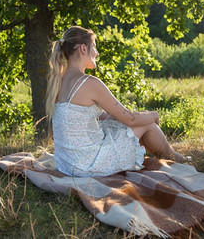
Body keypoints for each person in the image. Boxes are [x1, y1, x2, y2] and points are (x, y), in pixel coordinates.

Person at [45, 26, 188, 177]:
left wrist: (142, 115)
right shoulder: (88, 82)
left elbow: (100, 117)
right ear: (83, 49)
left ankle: (169, 156)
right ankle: (176, 159)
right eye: (94, 47)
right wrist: (154, 115)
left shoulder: (58, 81)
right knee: (148, 123)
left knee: (139, 119)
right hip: (88, 165)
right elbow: (130, 119)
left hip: (68, 164)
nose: (97, 53)